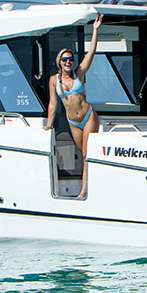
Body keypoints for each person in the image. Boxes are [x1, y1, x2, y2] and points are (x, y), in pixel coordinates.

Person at [44, 14, 103, 198]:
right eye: (65, 59)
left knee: (87, 154)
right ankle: (90, 186)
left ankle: (85, 190)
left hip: (87, 117)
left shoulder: (79, 74)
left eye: (70, 58)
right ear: (59, 62)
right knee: (83, 154)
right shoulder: (54, 80)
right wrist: (49, 124)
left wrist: (95, 29)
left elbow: (91, 52)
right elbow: (53, 103)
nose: (68, 62)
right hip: (72, 121)